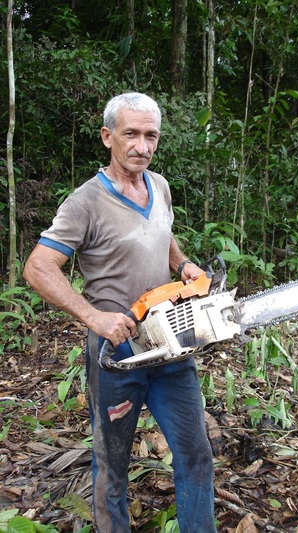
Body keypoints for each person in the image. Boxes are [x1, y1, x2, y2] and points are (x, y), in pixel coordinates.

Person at [23, 92, 218, 533]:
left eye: (151, 136)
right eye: (131, 134)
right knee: (113, 462)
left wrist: (182, 264)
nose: (142, 146)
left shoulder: (160, 185)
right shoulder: (85, 202)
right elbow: (38, 266)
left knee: (195, 453)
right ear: (108, 136)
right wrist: (94, 317)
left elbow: (161, 233)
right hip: (117, 349)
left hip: (171, 341)